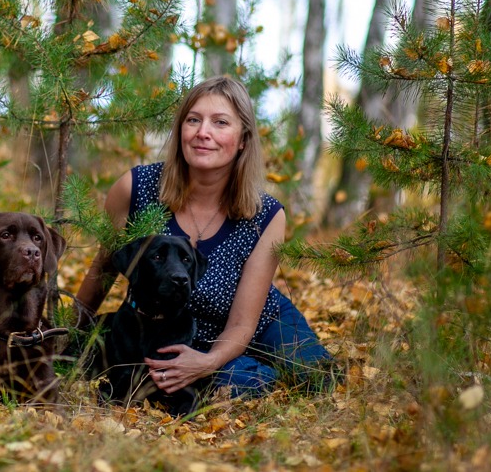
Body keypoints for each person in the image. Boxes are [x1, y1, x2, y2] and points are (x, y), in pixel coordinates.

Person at [77, 75, 338, 398]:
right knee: (234, 383)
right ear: (180, 131)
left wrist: (209, 361)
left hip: (256, 323)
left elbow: (243, 323)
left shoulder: (265, 215)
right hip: (175, 330)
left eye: (220, 123)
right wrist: (68, 335)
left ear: (243, 139)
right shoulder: (136, 188)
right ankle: (242, 371)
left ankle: (248, 364)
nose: (203, 133)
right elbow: (102, 272)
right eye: (193, 120)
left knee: (317, 379)